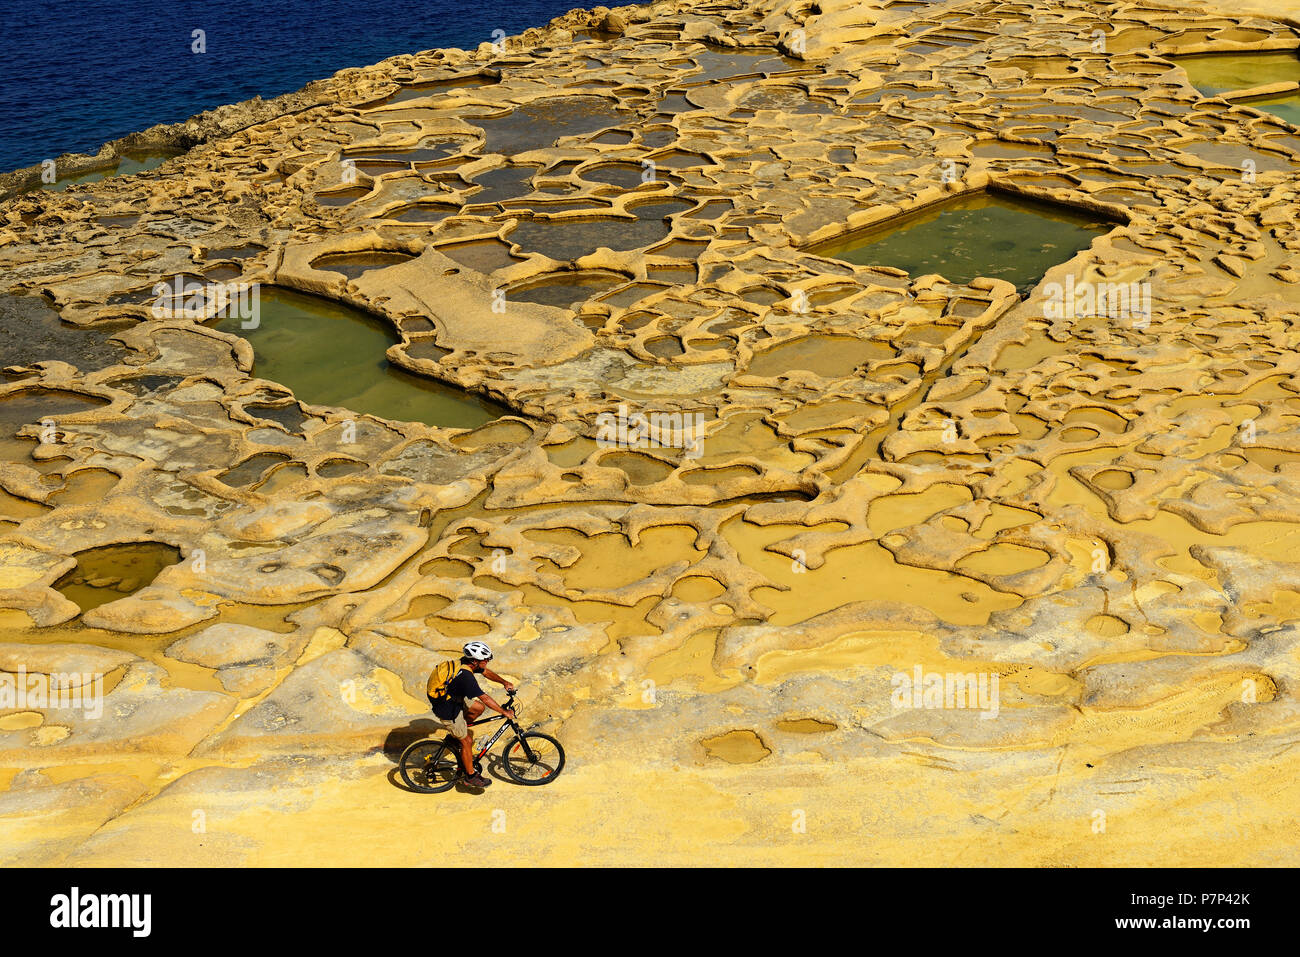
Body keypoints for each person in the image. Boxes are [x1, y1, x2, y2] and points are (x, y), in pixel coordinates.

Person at [428, 641, 515, 789]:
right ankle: (470, 777)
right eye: (485, 660)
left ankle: (457, 736)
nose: (487, 662)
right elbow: (485, 697)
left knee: (477, 709)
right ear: (475, 661)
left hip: (452, 696)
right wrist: (504, 712)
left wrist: (504, 682)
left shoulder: (467, 663)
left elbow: (486, 672)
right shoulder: (466, 677)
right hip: (447, 707)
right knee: (467, 741)